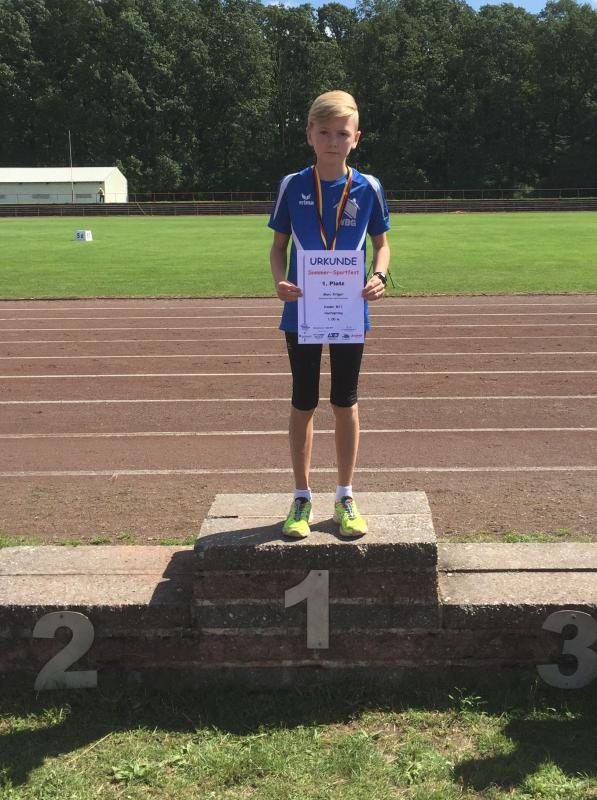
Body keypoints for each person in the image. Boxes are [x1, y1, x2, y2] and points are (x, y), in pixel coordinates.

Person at [269, 90, 391, 540]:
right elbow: (278, 247)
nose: (333, 141)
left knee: (345, 401)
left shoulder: (369, 187)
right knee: (303, 401)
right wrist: (278, 282)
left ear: (356, 138)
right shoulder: (292, 185)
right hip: (302, 309)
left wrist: (379, 275)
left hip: (348, 310)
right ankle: (301, 497)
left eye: (342, 133)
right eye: (324, 132)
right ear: (309, 136)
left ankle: (344, 496)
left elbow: (382, 244)